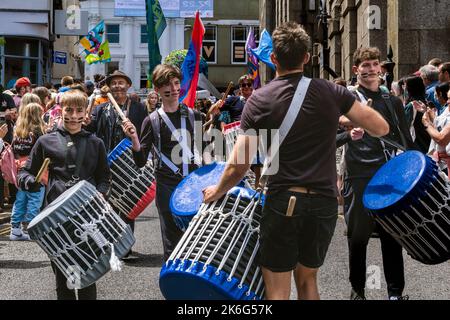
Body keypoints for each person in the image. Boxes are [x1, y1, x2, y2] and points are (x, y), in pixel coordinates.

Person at [202, 22, 389, 300]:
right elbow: (381, 128)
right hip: (324, 202)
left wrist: (217, 190)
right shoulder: (331, 92)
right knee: (307, 280)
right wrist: (343, 118)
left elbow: (239, 163)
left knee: (277, 289)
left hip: (284, 199)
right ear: (306, 57)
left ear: (273, 58)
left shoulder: (259, 99)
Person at [18, 89, 111, 300]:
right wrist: (30, 182)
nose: (74, 114)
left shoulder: (96, 143)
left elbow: (105, 178)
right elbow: (25, 172)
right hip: (56, 219)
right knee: (63, 279)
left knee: (87, 275)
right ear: (61, 111)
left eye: (79, 110)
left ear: (85, 113)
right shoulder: (45, 141)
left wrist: (101, 195)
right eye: (69, 109)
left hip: (88, 217)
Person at [343, 47, 417, 300]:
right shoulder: (347, 100)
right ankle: (358, 291)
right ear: (356, 70)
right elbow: (330, 136)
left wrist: (414, 167)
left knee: (392, 235)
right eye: (366, 65)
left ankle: (395, 294)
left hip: (388, 174)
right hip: (358, 175)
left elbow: (406, 140)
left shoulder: (392, 102)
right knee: (358, 237)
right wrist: (348, 134)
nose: (372, 69)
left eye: (375, 64)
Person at [122, 64, 203, 261]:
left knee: (197, 245)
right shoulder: (151, 121)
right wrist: (134, 140)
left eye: (176, 83)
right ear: (157, 89)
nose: (173, 89)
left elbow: (206, 153)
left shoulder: (195, 116)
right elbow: (141, 162)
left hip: (194, 187)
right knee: (173, 247)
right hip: (167, 189)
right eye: (167, 85)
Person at [85, 70, 147, 255]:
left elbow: (144, 136)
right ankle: (107, 244)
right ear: (109, 87)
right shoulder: (100, 109)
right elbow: (89, 131)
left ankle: (125, 246)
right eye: (114, 83)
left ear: (128, 86)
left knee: (127, 205)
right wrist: (86, 122)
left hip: (129, 163)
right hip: (106, 162)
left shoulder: (138, 108)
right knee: (106, 205)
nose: (117, 86)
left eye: (121, 83)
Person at [9, 102, 46, 241]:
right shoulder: (38, 131)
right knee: (35, 198)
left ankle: (15, 229)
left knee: (21, 199)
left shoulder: (18, 131)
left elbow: (14, 150)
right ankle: (31, 228)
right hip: (36, 169)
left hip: (20, 169)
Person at [422, 88, 450, 175]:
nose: (447, 102)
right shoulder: (447, 111)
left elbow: (441, 139)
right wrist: (432, 117)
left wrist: (427, 124)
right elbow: (442, 127)